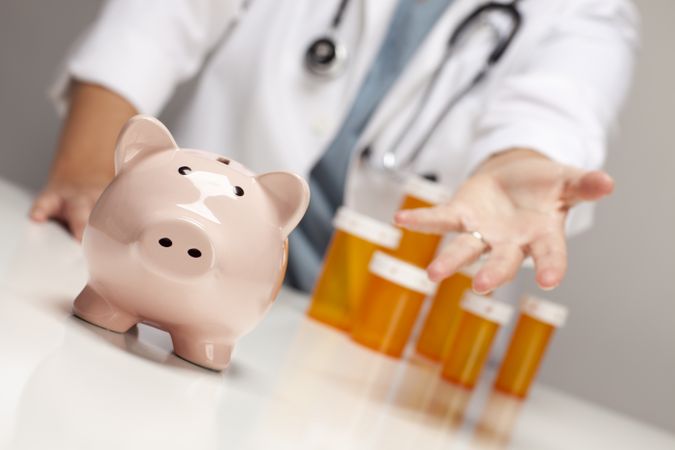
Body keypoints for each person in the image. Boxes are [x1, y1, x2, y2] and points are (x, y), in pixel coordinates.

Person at [31, 0, 638, 295]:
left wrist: (517, 164)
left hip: (371, 335)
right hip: (170, 272)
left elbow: (557, 106)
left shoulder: (589, 12)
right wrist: (88, 171)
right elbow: (160, 20)